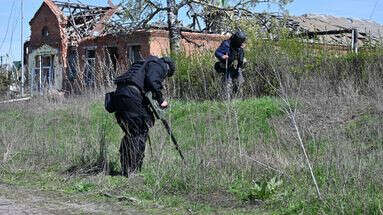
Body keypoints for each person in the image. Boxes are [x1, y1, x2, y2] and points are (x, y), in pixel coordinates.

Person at [112, 55, 175, 176]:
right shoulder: (160, 65)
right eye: (166, 76)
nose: (164, 78)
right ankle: (133, 170)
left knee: (131, 132)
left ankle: (127, 168)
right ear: (168, 68)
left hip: (119, 96)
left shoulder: (143, 63)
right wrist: (161, 100)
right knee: (139, 132)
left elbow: (141, 83)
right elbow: (152, 80)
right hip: (131, 96)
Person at [215, 31, 247, 99]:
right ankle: (227, 101)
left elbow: (241, 56)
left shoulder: (240, 46)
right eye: (240, 40)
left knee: (240, 83)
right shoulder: (226, 44)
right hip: (228, 67)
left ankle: (239, 100)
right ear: (236, 39)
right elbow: (217, 52)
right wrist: (222, 56)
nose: (241, 42)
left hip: (237, 67)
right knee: (228, 85)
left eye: (242, 40)